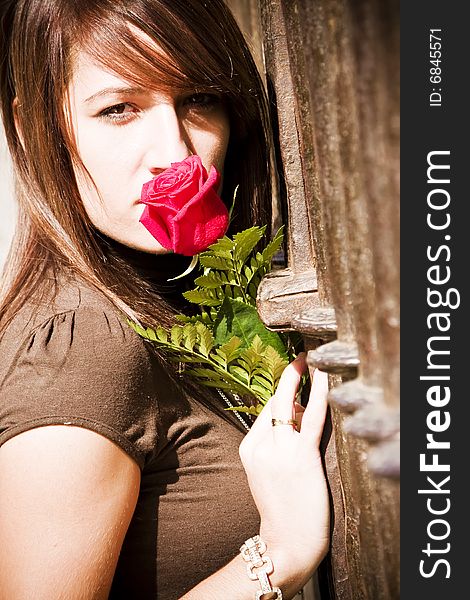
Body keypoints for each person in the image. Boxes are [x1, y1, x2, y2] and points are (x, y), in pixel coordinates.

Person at [0, 1, 330, 598]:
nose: (176, 153)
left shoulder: (170, 294)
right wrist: (278, 555)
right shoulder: (80, 349)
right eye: (119, 109)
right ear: (36, 130)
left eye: (198, 98)